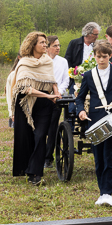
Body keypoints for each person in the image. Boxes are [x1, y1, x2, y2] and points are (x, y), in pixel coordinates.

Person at [76, 41, 112, 206]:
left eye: (104, 56)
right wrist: (81, 111)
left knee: (110, 156)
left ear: (110, 56)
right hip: (95, 119)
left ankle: (107, 193)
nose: (101, 59)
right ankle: (102, 192)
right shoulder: (88, 75)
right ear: (94, 56)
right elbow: (80, 98)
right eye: (98, 56)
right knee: (99, 158)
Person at [7, 31, 61, 186]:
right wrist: (49, 96)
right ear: (32, 45)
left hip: (44, 103)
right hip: (25, 102)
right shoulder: (24, 63)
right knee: (26, 136)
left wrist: (55, 92)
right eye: (42, 43)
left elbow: (51, 80)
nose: (45, 45)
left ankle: (35, 173)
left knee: (40, 135)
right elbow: (25, 88)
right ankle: (25, 168)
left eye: (45, 42)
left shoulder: (47, 61)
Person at [44, 36, 70, 169]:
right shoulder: (42, 61)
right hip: (43, 97)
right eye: (55, 45)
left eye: (59, 45)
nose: (58, 48)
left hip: (57, 98)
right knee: (42, 128)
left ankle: (48, 157)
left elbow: (66, 79)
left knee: (53, 127)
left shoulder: (63, 62)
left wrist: (58, 92)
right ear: (47, 48)